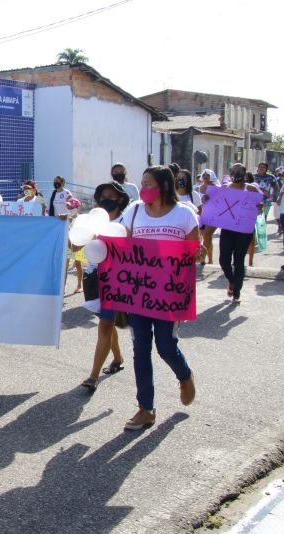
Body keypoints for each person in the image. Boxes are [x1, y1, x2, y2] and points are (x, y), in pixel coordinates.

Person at [119, 166, 204, 431]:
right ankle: (146, 408)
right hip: (139, 293)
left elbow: (195, 252)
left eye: (148, 183)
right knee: (140, 349)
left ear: (164, 186)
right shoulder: (133, 211)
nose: (143, 188)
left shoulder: (184, 214)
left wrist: (197, 253)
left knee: (166, 346)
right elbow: (122, 244)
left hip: (170, 293)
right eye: (142, 183)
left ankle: (185, 375)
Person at [80, 181, 131, 392]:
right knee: (105, 321)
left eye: (110, 196)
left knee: (105, 325)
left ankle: (93, 376)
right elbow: (77, 245)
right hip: (93, 278)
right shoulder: (94, 221)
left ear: (120, 199)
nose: (105, 200)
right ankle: (118, 358)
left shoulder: (126, 222)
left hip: (116, 281)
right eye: (102, 197)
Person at [217, 164, 261, 304]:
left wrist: (256, 207)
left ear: (245, 173)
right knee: (223, 260)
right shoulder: (224, 188)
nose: (237, 173)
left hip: (243, 230)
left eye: (240, 171)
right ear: (230, 173)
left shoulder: (251, 189)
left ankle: (236, 293)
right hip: (228, 229)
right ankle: (232, 281)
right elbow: (216, 204)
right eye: (234, 171)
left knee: (238, 261)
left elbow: (259, 209)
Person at [197, 169, 220, 265]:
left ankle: (202, 257)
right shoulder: (198, 189)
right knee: (206, 237)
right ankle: (210, 259)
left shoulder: (217, 188)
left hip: (213, 216)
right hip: (201, 216)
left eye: (208, 175)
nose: (206, 177)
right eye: (204, 175)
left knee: (207, 235)